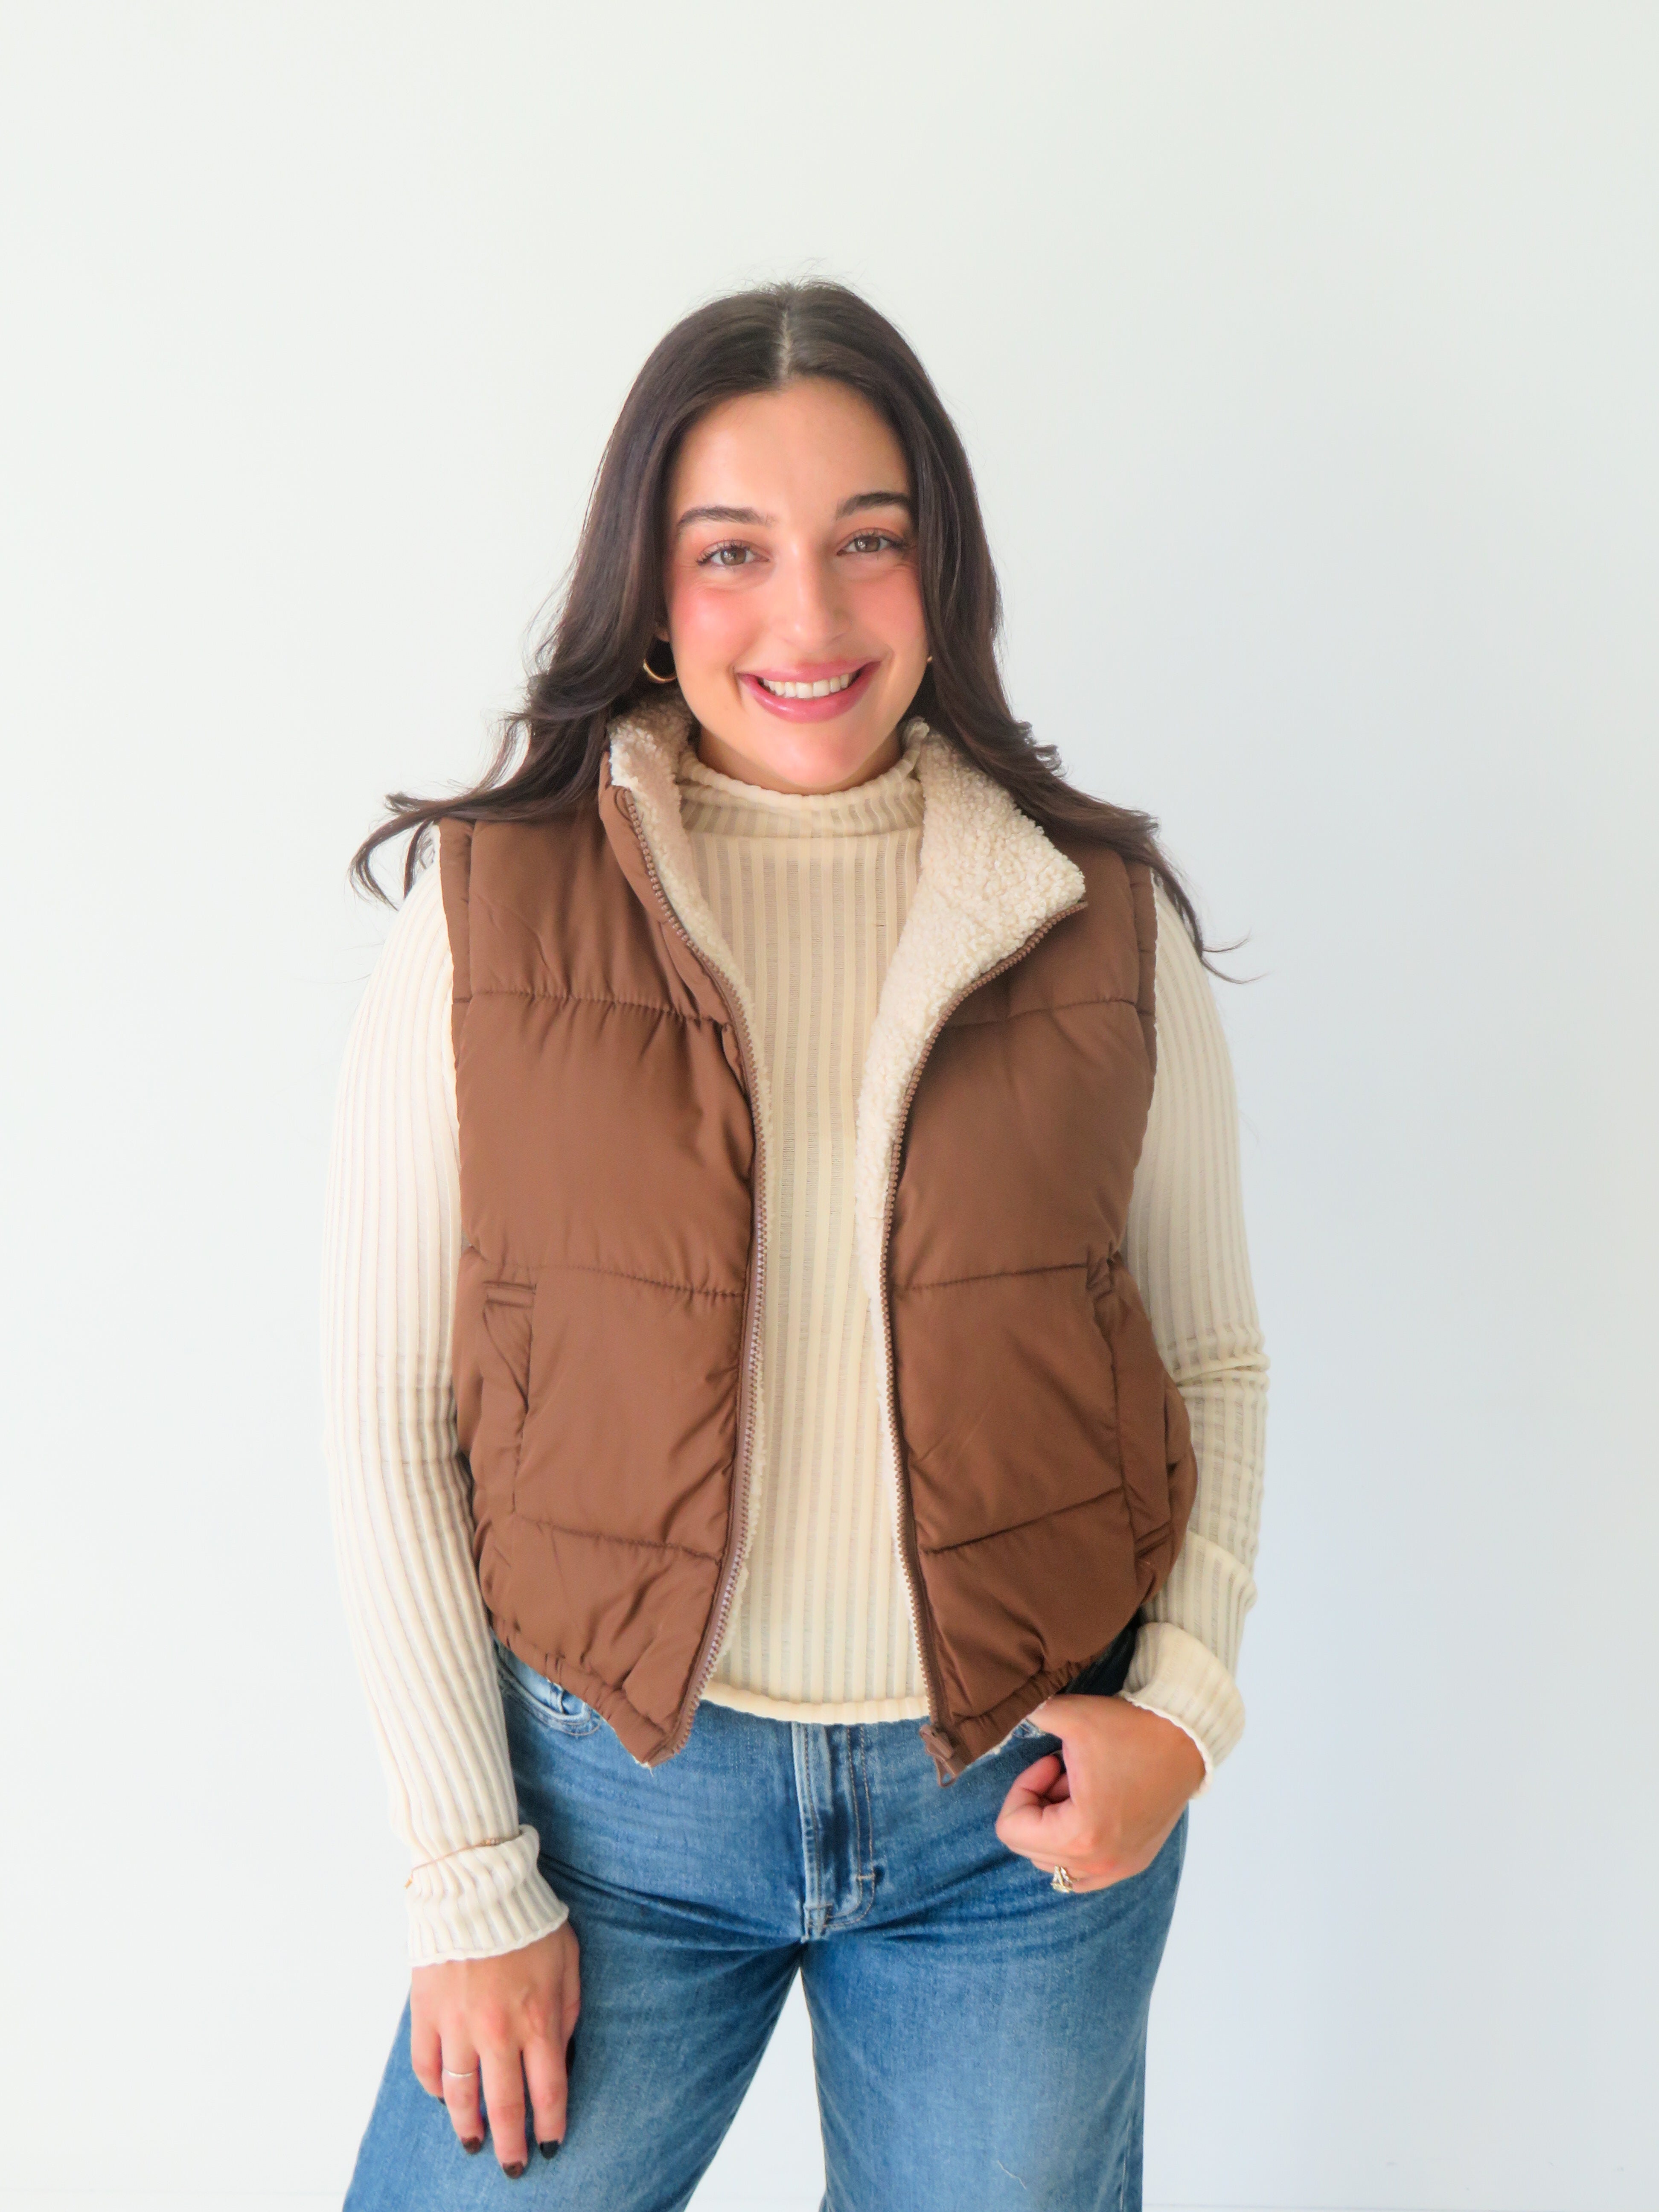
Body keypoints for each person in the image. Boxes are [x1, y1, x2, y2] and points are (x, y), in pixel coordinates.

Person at [323, 278, 1268, 2211]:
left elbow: (1214, 1361)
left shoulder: (1095, 916)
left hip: (1015, 1826)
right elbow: (388, 1410)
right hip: (608, 1816)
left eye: (868, 542)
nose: (810, 618)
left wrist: (1179, 1715)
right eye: (733, 551)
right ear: (650, 590)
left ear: (943, 572)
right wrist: (467, 1881)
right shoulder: (491, 915)